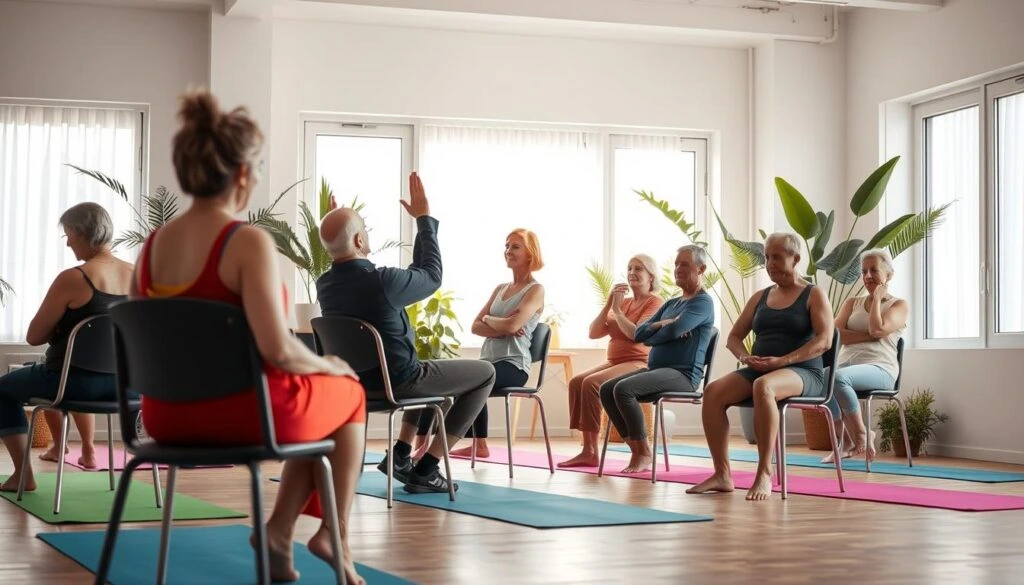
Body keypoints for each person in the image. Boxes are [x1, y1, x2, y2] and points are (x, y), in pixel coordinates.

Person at [135, 90, 366, 584]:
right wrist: (333, 365)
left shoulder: (150, 249)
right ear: (242, 174)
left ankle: (279, 534)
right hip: (243, 412)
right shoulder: (245, 242)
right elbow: (277, 348)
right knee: (347, 395)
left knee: (315, 406)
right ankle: (333, 534)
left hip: (165, 417)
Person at [317, 172, 494, 494]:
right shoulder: (381, 282)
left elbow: (412, 275)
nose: (366, 235)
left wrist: (337, 226)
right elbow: (430, 275)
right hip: (398, 383)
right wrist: (424, 219)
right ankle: (427, 469)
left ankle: (400, 455)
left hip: (359, 387)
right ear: (358, 241)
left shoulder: (326, 285)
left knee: (431, 380)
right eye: (363, 231)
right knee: (484, 373)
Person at [688, 232, 833, 501]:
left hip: (803, 372)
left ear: (796, 259)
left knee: (763, 386)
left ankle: (765, 473)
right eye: (767, 258)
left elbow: (824, 341)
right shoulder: (760, 297)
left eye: (777, 257)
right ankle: (722, 475)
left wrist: (784, 361)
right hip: (760, 369)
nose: (770, 264)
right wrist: (745, 357)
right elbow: (733, 337)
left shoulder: (814, 295)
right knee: (713, 392)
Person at [0, 203, 132, 491]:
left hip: (72, 383)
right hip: (127, 386)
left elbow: (35, 336)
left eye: (68, 235)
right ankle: (83, 449)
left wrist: (61, 329)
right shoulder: (139, 276)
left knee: (2, 390)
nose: (69, 242)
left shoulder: (74, 278)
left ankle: (23, 474)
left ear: (79, 231)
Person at [598, 245, 715, 473]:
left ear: (701, 269)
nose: (678, 269)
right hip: (656, 371)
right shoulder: (672, 304)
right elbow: (641, 335)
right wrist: (662, 324)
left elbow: (671, 332)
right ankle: (639, 450)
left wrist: (665, 330)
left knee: (623, 389)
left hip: (683, 375)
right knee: (606, 389)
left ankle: (642, 453)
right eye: (676, 264)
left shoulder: (702, 303)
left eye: (685, 264)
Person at [436, 228, 547, 458]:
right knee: (468, 379)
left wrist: (494, 321)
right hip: (489, 360)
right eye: (506, 246)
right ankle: (479, 444)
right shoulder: (500, 288)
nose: (508, 251)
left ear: (530, 253)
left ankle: (475, 445)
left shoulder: (535, 290)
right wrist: (496, 324)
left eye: (515, 246)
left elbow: (513, 327)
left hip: (515, 365)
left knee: (474, 380)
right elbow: (476, 325)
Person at [558, 255, 663, 468]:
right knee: (577, 381)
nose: (632, 272)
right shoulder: (622, 303)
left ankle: (592, 451)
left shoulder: (655, 302)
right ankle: (588, 450)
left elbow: (637, 334)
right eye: (630, 267)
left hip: (639, 362)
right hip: (614, 361)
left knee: (592, 383)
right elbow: (594, 333)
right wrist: (609, 303)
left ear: (651, 277)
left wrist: (616, 311)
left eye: (639, 269)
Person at [821, 248, 908, 463]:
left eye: (874, 271)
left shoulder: (898, 305)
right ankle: (846, 442)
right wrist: (868, 336)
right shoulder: (852, 303)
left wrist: (877, 299)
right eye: (864, 271)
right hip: (847, 365)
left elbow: (878, 330)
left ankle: (862, 433)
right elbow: (835, 334)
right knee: (824, 376)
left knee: (838, 378)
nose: (868, 276)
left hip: (881, 369)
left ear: (888, 275)